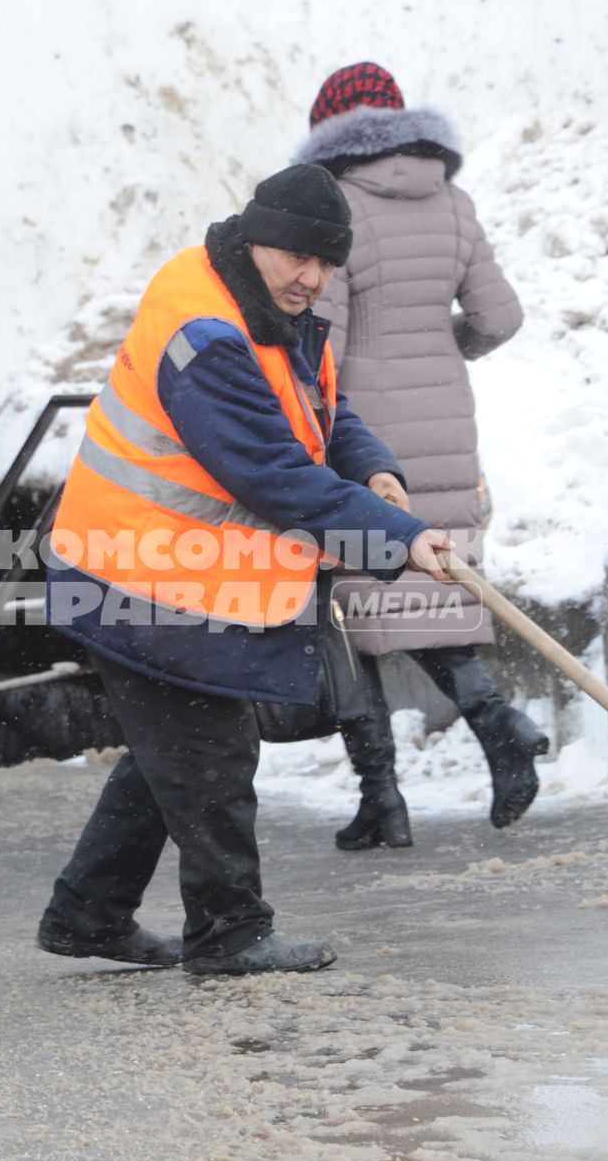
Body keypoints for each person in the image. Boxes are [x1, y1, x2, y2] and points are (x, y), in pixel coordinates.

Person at [37, 164, 456, 976]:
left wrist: (371, 466)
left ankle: (89, 912)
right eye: (299, 258)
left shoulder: (262, 301)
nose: (313, 277)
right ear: (256, 234)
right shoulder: (208, 334)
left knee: (176, 753)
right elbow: (273, 473)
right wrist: (397, 538)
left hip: (171, 576)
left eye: (327, 263)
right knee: (210, 752)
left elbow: (315, 415)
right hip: (136, 574)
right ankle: (229, 934)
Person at [296, 62, 549, 850]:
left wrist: (303, 413)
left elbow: (320, 338)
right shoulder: (452, 200)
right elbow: (499, 316)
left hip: (362, 435)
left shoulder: (333, 205)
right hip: (447, 425)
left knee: (346, 612)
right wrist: (448, 349)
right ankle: (499, 724)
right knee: (434, 595)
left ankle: (384, 800)